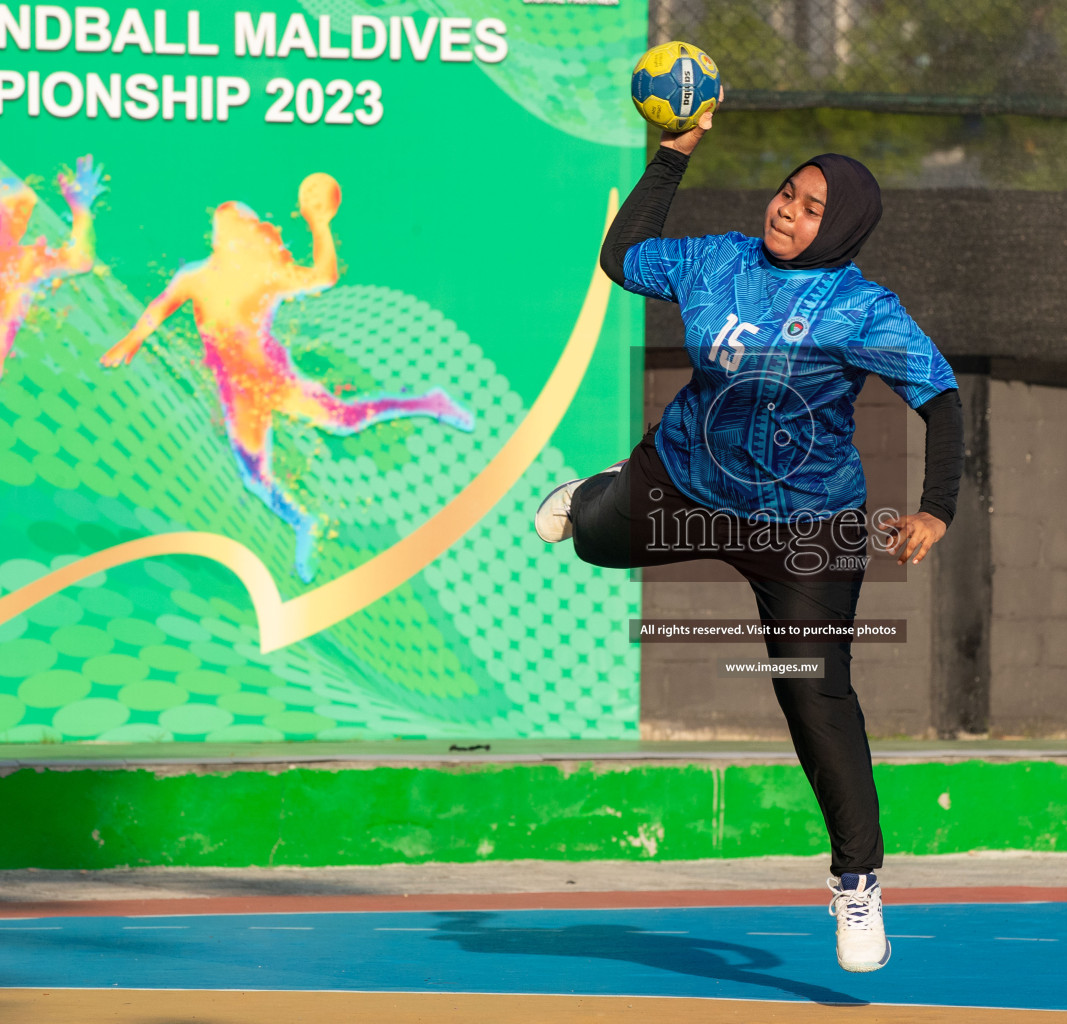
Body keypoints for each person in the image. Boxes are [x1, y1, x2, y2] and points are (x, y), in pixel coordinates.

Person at [533, 111, 964, 973]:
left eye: (811, 208)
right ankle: (591, 496)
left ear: (838, 230)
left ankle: (857, 884)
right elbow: (623, 259)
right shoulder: (719, 260)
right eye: (786, 192)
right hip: (686, 481)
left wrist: (934, 509)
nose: (788, 211)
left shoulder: (861, 310)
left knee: (815, 693)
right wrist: (674, 154)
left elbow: (940, 396)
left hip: (807, 527)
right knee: (590, 540)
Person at [100, 173, 474, 583]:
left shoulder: (265, 275)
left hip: (274, 376)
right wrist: (131, 341)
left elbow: (323, 277)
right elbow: (160, 307)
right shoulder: (195, 275)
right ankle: (301, 522)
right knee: (255, 478)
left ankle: (430, 403)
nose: (226, 233)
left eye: (237, 227)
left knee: (344, 420)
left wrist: (320, 226)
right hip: (238, 393)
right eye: (221, 227)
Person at [1, 156, 105, 381]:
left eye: (26, 215)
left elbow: (80, 260)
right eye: (14, 211)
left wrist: (81, 211)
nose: (22, 220)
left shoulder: (25, 262)